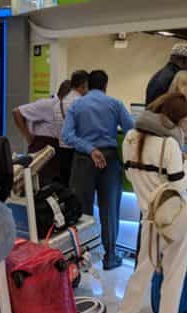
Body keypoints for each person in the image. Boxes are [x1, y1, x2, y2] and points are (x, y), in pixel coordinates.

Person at [110, 94, 187, 313]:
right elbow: (179, 183)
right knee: (173, 275)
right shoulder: (169, 144)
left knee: (142, 270)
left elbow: (128, 173)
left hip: (148, 214)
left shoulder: (130, 138)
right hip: (173, 215)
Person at [62, 70, 135, 270]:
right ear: (105, 85)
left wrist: (89, 148)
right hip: (109, 161)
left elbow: (66, 135)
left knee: (81, 211)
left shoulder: (77, 105)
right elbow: (131, 130)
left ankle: (82, 259)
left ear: (88, 85)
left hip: (83, 161)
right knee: (109, 210)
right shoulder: (115, 104)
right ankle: (110, 257)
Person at [13, 85, 67, 183]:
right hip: (43, 149)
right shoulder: (48, 104)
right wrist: (28, 137)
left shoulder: (66, 107)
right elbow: (17, 112)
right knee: (40, 184)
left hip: (59, 152)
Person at [57, 70, 89, 187]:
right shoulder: (80, 102)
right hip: (76, 149)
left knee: (65, 182)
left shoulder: (62, 101)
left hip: (62, 147)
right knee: (76, 184)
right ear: (83, 85)